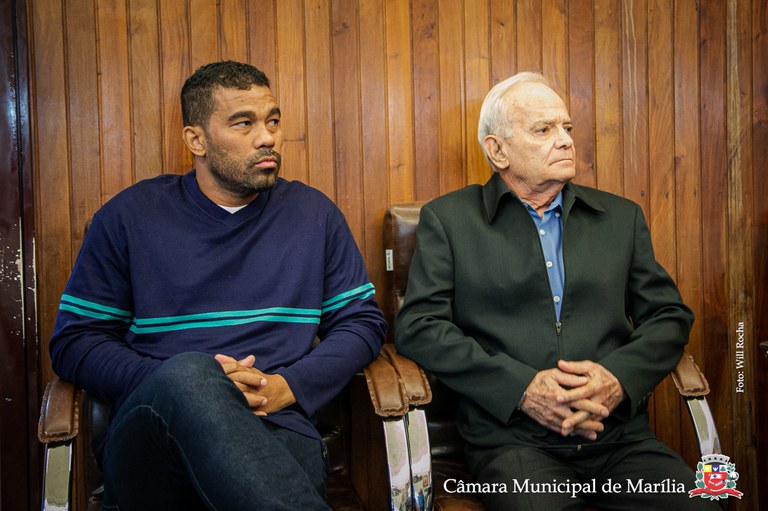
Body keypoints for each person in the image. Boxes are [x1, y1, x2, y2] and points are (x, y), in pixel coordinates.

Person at [49, 60, 386, 510]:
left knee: (274, 458)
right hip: (153, 438)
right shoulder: (129, 216)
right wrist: (186, 385)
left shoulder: (313, 215)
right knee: (192, 373)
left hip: (276, 420)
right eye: (244, 123)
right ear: (196, 139)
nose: (267, 137)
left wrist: (288, 385)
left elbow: (362, 323)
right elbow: (75, 341)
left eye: (272, 121)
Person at [394, 72, 719, 510]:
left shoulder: (620, 219)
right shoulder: (450, 221)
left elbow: (669, 316)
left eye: (566, 127)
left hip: (618, 437)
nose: (565, 140)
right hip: (512, 442)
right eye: (543, 130)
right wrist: (523, 389)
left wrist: (617, 379)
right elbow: (419, 327)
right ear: (497, 150)